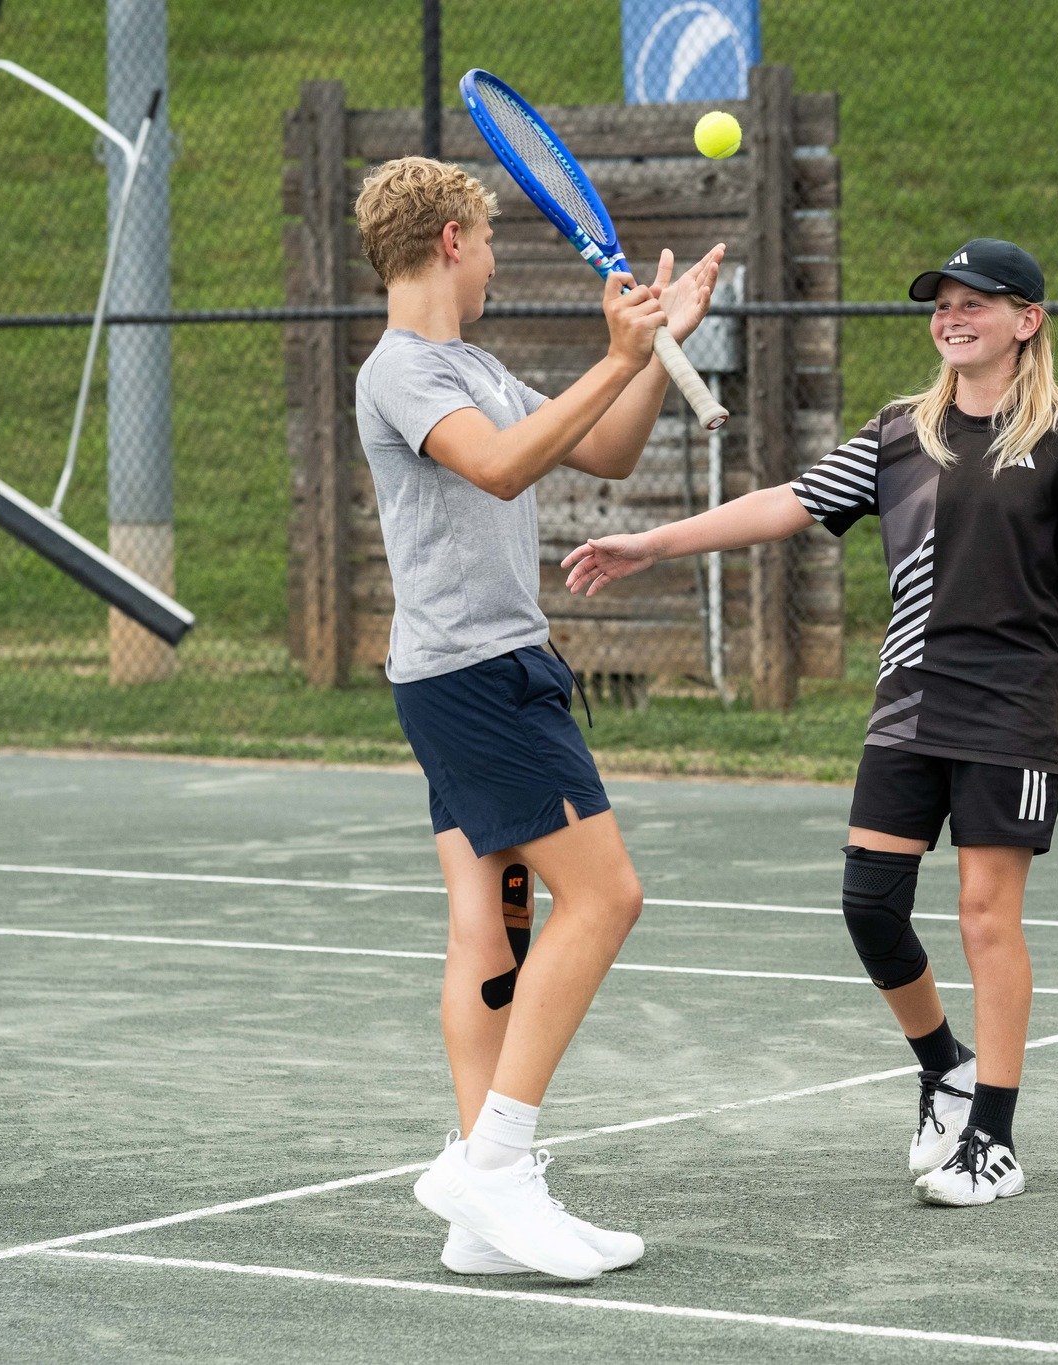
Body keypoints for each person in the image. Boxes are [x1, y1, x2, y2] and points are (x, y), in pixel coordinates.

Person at [562, 238, 1058, 1208]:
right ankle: (942, 1068)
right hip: (907, 707)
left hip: (1006, 716)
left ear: (1025, 321)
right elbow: (786, 503)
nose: (951, 316)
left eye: (975, 302)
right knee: (868, 906)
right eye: (940, 303)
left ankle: (992, 1141)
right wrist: (652, 543)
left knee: (983, 920)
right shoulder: (897, 434)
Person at [351, 156, 723, 1275]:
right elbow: (504, 470)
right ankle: (496, 1164)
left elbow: (599, 450)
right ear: (454, 242)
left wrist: (658, 351)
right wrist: (613, 353)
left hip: (465, 673)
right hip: (478, 677)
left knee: (491, 926)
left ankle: (480, 1213)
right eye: (493, 241)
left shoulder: (471, 364)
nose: (499, 260)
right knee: (605, 896)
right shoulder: (404, 373)